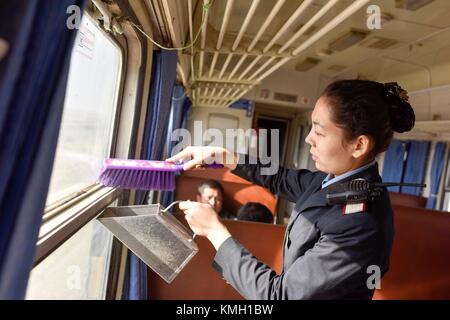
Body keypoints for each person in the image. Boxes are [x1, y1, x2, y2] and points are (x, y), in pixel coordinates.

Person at [167, 80, 415, 300]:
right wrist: (221, 155)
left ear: (359, 145)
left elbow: (280, 295)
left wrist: (214, 230)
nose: (309, 139)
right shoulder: (333, 180)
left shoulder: (361, 223)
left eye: (319, 131)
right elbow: (280, 178)